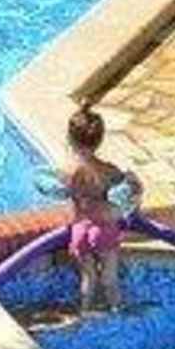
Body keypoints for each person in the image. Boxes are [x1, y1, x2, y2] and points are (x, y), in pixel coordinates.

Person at [59, 108, 132, 312]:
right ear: (100, 141)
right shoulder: (109, 171)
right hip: (104, 229)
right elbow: (128, 191)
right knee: (109, 277)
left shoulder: (67, 170)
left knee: (88, 277)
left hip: (80, 229)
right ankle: (116, 309)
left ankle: (84, 311)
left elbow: (62, 192)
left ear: (70, 139)